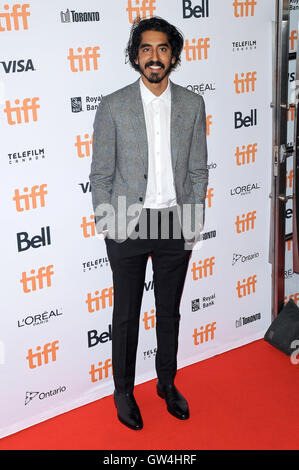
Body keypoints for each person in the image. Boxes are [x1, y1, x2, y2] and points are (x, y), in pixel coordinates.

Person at [89, 16, 208, 430]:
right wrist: (108, 221)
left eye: (161, 49)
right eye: (145, 48)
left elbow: (197, 169)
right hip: (127, 222)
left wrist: (194, 217)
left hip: (176, 221)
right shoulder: (114, 104)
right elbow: (101, 173)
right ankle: (123, 391)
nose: (153, 57)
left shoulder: (193, 104)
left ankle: (166, 382)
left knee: (169, 312)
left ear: (172, 55)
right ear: (135, 55)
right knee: (125, 314)